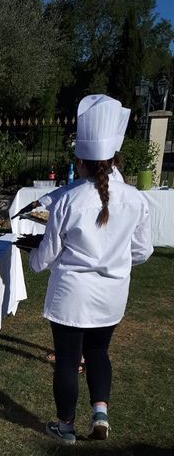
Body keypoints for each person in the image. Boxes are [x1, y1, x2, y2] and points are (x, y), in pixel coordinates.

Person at [28, 94, 153, 445]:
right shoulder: (134, 198)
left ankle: (65, 426)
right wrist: (116, 261)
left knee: (68, 360)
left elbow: (48, 253)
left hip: (72, 296)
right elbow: (142, 251)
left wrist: (33, 260)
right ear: (114, 158)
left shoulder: (68, 199)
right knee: (99, 352)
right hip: (111, 295)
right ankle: (101, 414)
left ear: (80, 160)